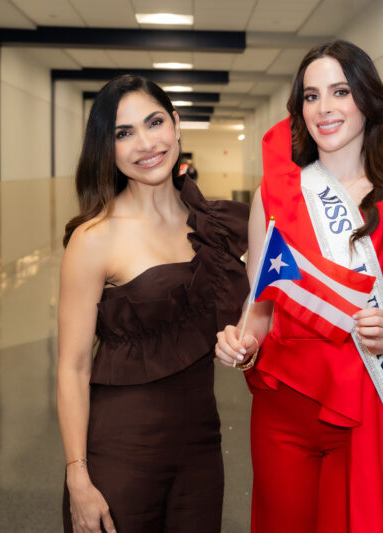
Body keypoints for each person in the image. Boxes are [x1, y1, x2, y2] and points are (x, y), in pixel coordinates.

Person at [215, 40, 383, 533]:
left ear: (366, 101)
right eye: (310, 96)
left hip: (364, 404)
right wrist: (242, 343)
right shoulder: (276, 195)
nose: (323, 108)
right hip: (283, 405)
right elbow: (261, 304)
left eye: (339, 91)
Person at [57, 74, 249, 533]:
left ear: (176, 125)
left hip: (200, 450)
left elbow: (242, 319)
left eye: (154, 122)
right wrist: (78, 475)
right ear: (109, 147)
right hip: (120, 453)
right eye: (124, 133)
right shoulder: (93, 238)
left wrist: (243, 348)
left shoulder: (213, 228)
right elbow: (73, 368)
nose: (145, 143)